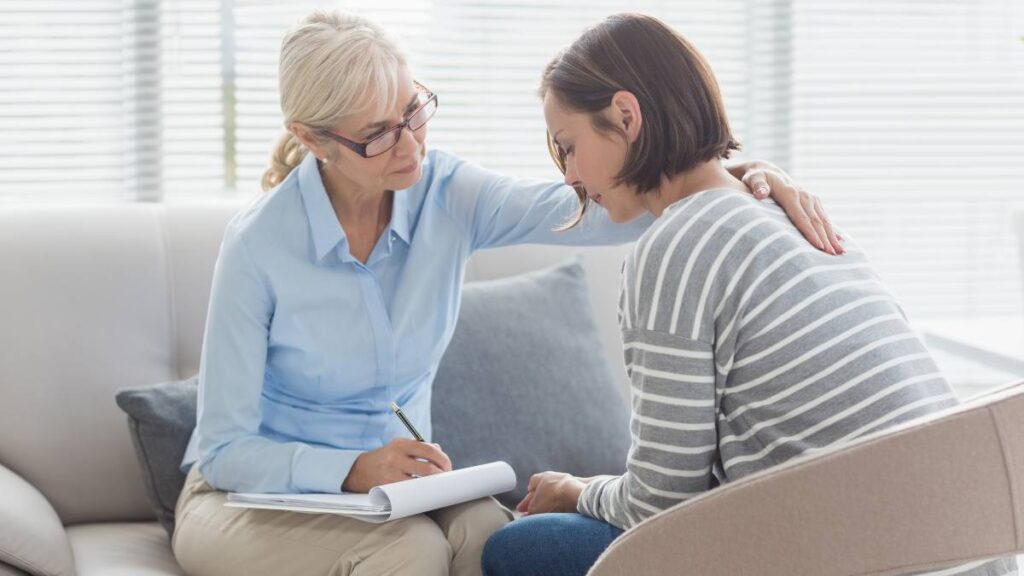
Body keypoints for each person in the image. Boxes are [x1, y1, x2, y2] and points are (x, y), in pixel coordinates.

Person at [170, 9, 839, 576]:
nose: (409, 145)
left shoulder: (444, 193)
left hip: (396, 492)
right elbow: (227, 450)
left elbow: (608, 202)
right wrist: (353, 468)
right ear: (313, 139)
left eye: (412, 110)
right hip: (246, 499)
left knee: (500, 545)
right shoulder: (259, 244)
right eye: (377, 133)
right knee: (410, 557)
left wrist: (735, 175)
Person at [481, 13, 1017, 576]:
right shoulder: (798, 219)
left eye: (568, 147)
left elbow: (659, 507)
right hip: (971, 549)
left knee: (521, 548)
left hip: (859, 554)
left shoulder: (673, 249)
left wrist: (577, 490)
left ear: (624, 115)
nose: (568, 175)